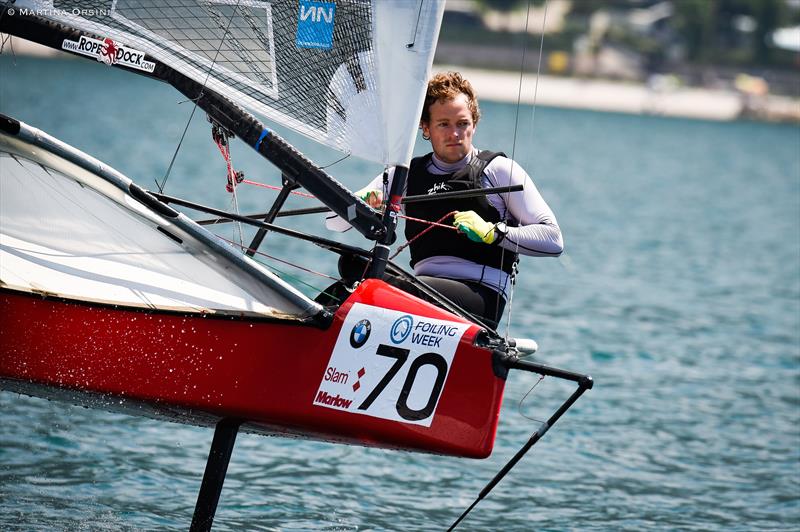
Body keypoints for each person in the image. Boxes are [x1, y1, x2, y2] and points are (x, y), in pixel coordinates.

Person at [326, 71, 563, 328]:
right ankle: (313, 323)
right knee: (352, 265)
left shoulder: (498, 171)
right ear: (426, 128)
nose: (455, 133)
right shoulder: (405, 175)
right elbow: (334, 223)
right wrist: (361, 203)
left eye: (463, 123)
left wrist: (493, 233)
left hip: (480, 297)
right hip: (421, 288)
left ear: (474, 124)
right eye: (444, 124)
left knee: (383, 285)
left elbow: (553, 239)